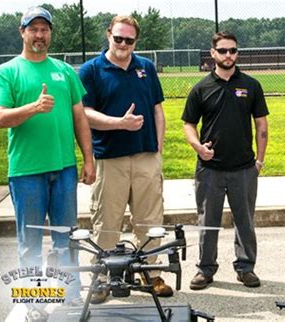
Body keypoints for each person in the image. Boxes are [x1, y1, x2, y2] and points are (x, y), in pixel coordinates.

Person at [0, 6, 95, 312]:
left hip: (63, 170)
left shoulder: (65, 72)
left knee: (67, 237)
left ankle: (70, 294)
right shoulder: (7, 72)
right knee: (30, 242)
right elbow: (0, 119)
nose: (39, 35)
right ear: (22, 32)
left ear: (50, 33)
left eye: (44, 29)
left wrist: (88, 159)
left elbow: (80, 118)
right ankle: (33, 300)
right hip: (27, 172)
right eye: (33, 29)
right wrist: (33, 107)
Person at [79, 15, 172, 303]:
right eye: (118, 38)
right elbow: (85, 114)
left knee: (150, 219)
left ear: (136, 41)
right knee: (107, 221)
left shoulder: (145, 67)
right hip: (111, 159)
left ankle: (151, 273)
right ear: (108, 35)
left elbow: (157, 109)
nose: (122, 44)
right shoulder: (91, 70)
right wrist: (120, 123)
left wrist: (158, 147)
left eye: (129, 40)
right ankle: (103, 279)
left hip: (146, 156)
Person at [182, 31, 269, 290]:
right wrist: (197, 146)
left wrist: (259, 162)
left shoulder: (251, 85)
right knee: (208, 222)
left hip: (244, 168)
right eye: (223, 51)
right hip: (210, 169)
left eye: (232, 50)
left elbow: (261, 125)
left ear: (237, 53)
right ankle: (205, 270)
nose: (228, 55)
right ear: (213, 54)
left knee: (245, 221)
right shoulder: (201, 88)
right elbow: (188, 124)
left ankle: (245, 268)